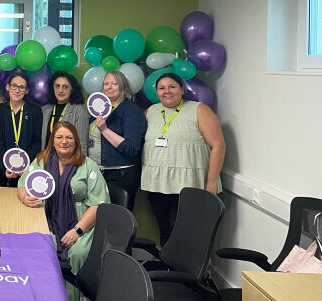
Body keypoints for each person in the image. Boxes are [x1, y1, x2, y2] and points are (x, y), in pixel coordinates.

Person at [18, 122, 109, 301]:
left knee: (79, 253)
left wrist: (77, 231)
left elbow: (98, 204)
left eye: (69, 137)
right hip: (47, 220)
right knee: (40, 248)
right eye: (59, 137)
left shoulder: (88, 165)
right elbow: (22, 185)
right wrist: (24, 198)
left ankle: (78, 297)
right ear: (53, 140)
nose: (64, 141)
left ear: (76, 141)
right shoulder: (41, 160)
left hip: (82, 223)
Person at [141, 72, 226, 245]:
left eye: (172, 86)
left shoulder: (199, 109)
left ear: (181, 89)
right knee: (165, 230)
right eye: (161, 88)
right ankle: (168, 269)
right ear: (156, 91)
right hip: (158, 184)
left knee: (187, 232)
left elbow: (219, 146)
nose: (167, 91)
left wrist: (211, 181)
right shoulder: (151, 111)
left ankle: (188, 271)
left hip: (190, 184)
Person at [87, 70, 146, 210]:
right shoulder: (97, 111)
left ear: (123, 87)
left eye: (114, 83)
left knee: (117, 220)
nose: (109, 87)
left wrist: (105, 130)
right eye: (106, 83)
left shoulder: (131, 111)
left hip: (121, 174)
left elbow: (131, 147)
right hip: (99, 172)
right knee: (99, 217)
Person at [0, 71, 42, 187]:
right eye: (14, 86)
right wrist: (5, 167)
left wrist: (25, 165)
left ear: (27, 90)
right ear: (8, 87)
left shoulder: (35, 111)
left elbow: (37, 142)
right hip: (2, 170)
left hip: (26, 170)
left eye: (22, 87)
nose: (17, 90)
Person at [41, 72, 90, 154]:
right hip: (47, 160)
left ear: (72, 90)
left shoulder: (80, 111)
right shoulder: (45, 110)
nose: (60, 90)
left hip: (69, 162)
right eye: (57, 86)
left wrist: (79, 166)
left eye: (65, 87)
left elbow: (82, 145)